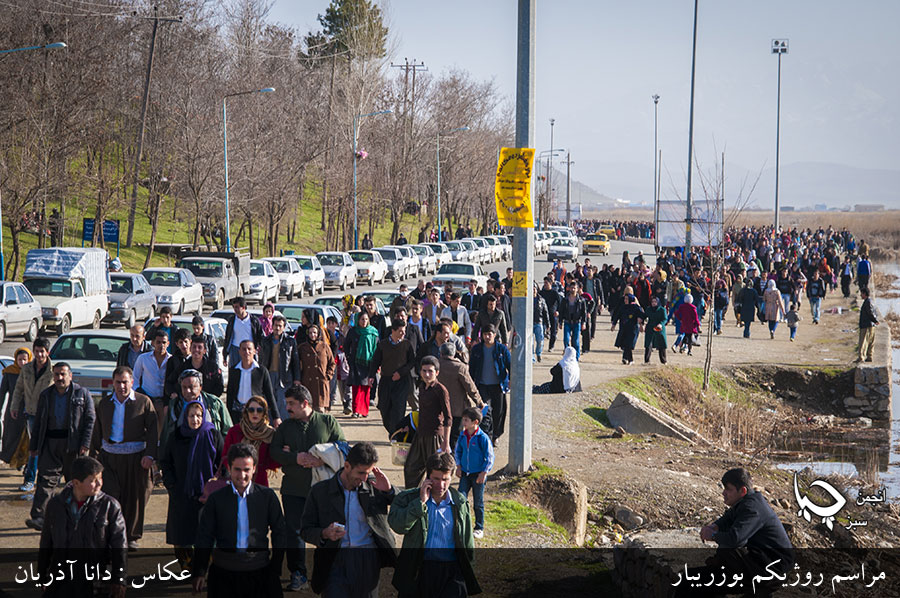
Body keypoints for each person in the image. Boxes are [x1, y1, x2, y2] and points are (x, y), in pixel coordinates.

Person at [270, 385, 346, 592]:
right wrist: (296, 457)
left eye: (291, 404)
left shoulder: (327, 421)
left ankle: (331, 571)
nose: (287, 408)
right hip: (293, 489)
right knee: (294, 532)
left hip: (323, 491)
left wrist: (320, 457)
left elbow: (343, 448)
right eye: (286, 403)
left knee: (329, 531)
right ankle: (298, 573)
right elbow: (274, 451)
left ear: (305, 403)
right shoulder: (285, 427)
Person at [676, 468, 794, 598]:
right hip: (759, 562)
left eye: (728, 489)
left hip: (773, 570)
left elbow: (735, 539)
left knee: (730, 547)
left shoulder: (753, 509)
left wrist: (713, 536)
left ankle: (757, 589)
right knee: (689, 581)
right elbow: (728, 518)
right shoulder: (745, 502)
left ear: (742, 491)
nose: (723, 493)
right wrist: (714, 526)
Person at [300, 442, 397, 598]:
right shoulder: (320, 492)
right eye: (360, 473)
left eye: (368, 472)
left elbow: (404, 505)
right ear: (346, 466)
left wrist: (389, 491)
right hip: (334, 560)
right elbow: (305, 530)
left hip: (367, 559)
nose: (365, 478)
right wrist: (324, 533)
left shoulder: (375, 486)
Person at [192, 442, 287, 598]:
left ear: (254, 468)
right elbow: (205, 535)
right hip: (224, 574)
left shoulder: (267, 497)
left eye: (246, 470)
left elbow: (280, 532)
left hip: (260, 572)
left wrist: (275, 568)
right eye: (237, 469)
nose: (242, 475)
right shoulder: (216, 499)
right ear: (228, 468)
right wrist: (200, 571)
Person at [389, 452, 481, 597]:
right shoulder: (409, 498)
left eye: (445, 479)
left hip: (451, 571)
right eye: (436, 479)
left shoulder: (460, 503)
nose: (441, 485)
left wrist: (468, 569)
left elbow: (467, 541)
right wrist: (419, 503)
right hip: (420, 569)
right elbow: (397, 526)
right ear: (427, 477)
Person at [38, 456, 127, 598]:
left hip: (96, 578)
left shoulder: (110, 506)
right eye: (92, 480)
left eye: (100, 478)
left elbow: (119, 545)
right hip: (63, 577)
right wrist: (42, 574)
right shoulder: (56, 505)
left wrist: (119, 579)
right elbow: (46, 542)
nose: (98, 484)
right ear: (76, 482)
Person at [90, 365, 157, 550]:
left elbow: (152, 432)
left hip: (136, 459)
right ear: (113, 383)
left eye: (125, 382)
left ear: (132, 382)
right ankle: (112, 535)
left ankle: (131, 536)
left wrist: (150, 455)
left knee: (133, 498)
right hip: (109, 458)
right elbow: (98, 432)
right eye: (118, 382)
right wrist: (93, 458)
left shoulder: (143, 402)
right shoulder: (104, 404)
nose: (121, 386)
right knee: (111, 496)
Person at [27, 362, 96, 531]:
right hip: (50, 443)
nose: (59, 378)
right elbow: (38, 422)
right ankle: (39, 517)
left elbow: (90, 420)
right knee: (45, 480)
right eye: (56, 374)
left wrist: (85, 444)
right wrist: (34, 445)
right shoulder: (46, 395)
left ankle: (81, 516)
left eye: (63, 374)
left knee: (76, 482)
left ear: (70, 375)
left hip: (72, 444)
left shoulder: (82, 394)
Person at [160, 399, 223, 572]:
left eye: (198, 415)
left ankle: (203, 567)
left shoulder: (212, 435)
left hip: (206, 494)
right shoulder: (176, 436)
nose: (195, 419)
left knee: (206, 532)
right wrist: (171, 485)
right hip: (181, 492)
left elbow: (222, 462)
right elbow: (165, 462)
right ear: (185, 417)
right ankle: (186, 566)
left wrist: (215, 484)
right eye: (191, 416)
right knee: (182, 534)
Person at [9, 337, 53, 495]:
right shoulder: (26, 369)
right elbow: (18, 389)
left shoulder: (53, 370)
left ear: (47, 352)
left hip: (49, 416)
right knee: (33, 448)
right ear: (33, 352)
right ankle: (29, 480)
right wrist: (14, 407)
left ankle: (47, 479)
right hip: (31, 414)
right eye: (37, 351)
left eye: (42, 351)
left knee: (48, 448)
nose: (39, 355)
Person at [404, 356, 452, 489]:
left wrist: (446, 443)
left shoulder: (440, 390)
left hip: (435, 436)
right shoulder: (421, 387)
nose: (427, 374)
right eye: (424, 371)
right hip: (420, 435)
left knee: (434, 472)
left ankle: (432, 502)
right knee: (411, 468)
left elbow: (448, 418)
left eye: (430, 371)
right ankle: (413, 499)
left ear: (437, 372)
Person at [162, 369, 232, 450]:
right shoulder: (174, 406)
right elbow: (166, 434)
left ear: (200, 387)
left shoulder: (215, 404)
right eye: (184, 387)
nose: (188, 391)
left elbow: (228, 432)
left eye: (192, 387)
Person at [369, 319, 416, 433]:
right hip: (386, 381)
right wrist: (371, 376)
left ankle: (395, 434)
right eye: (400, 331)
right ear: (393, 331)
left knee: (398, 410)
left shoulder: (407, 344)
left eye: (404, 331)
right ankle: (392, 431)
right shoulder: (383, 345)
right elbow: (375, 361)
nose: (403, 334)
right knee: (385, 409)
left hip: (401, 382)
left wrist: (401, 373)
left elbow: (412, 362)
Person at [222, 396, 280, 486]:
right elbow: (226, 455)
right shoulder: (235, 431)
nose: (255, 413)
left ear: (264, 413)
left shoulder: (270, 434)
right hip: (237, 479)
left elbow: (273, 461)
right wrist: (236, 470)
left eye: (259, 410)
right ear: (246, 412)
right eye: (251, 410)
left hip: (260, 481)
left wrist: (283, 453)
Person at [455, 406, 494, 540]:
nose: (463, 423)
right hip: (465, 473)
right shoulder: (462, 435)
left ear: (475, 422)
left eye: (466, 420)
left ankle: (479, 527)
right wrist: (458, 466)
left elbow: (489, 457)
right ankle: (461, 525)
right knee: (460, 499)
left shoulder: (482, 438)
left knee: (478, 502)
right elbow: (458, 451)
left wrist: (484, 472)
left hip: (478, 474)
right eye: (463, 420)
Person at [469, 325, 510, 447]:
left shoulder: (501, 350)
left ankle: (496, 435)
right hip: (482, 385)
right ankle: (486, 436)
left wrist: (511, 379)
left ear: (495, 335)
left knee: (499, 412)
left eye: (490, 334)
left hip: (498, 385)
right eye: (485, 334)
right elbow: (472, 368)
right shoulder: (477, 350)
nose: (487, 337)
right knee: (484, 411)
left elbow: (510, 364)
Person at [438, 342, 481, 449]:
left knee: (439, 437)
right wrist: (479, 401)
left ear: (441, 353)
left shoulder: (436, 365)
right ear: (454, 353)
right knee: (455, 438)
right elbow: (470, 387)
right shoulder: (460, 367)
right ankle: (452, 460)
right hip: (457, 409)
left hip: (438, 408)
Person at [259, 314, 301, 421]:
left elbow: (295, 361)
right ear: (272, 326)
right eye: (275, 325)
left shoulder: (290, 342)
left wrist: (297, 379)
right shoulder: (265, 341)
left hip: (284, 377)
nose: (277, 328)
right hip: (269, 375)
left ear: (284, 327)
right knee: (268, 402)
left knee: (283, 404)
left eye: (280, 326)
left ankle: (283, 428)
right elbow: (261, 360)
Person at [226, 340, 279, 425]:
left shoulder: (262, 371)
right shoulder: (234, 370)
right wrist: (227, 415)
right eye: (243, 349)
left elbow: (270, 394)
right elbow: (230, 394)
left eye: (249, 349)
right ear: (239, 351)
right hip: (237, 413)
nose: (246, 352)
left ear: (255, 351)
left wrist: (276, 417)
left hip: (256, 412)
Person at [0, 348, 32, 484]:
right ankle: (16, 461)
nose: (22, 362)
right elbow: (2, 393)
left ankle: (26, 465)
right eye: (20, 360)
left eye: (25, 360)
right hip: (14, 412)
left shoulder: (33, 373)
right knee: (13, 438)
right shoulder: (9, 373)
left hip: (30, 411)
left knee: (28, 439)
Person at [133, 329, 170, 435]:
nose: (161, 345)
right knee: (146, 431)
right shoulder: (143, 358)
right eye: (158, 342)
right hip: (147, 400)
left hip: (164, 403)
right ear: (153, 343)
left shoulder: (171, 360)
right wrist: (142, 395)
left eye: (164, 342)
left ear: (168, 344)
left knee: (162, 433)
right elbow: (135, 379)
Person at [344, 311, 379, 418]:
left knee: (366, 387)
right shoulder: (353, 331)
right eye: (362, 319)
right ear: (357, 320)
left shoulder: (373, 332)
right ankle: (356, 410)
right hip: (355, 363)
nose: (364, 322)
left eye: (366, 319)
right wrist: (349, 358)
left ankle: (364, 410)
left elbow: (377, 348)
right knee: (356, 388)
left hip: (369, 363)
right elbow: (346, 345)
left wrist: (376, 364)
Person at [299, 324, 336, 413]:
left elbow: (332, 363)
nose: (312, 335)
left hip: (321, 383)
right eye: (310, 333)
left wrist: (328, 376)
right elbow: (297, 365)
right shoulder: (302, 348)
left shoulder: (324, 346)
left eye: (315, 333)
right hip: (308, 383)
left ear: (318, 333)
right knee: (308, 411)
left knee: (320, 411)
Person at [224, 297, 264, 369]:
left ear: (243, 307)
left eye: (237, 307)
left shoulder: (254, 321)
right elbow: (227, 338)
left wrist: (260, 350)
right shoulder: (232, 320)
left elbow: (260, 336)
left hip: (249, 350)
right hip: (235, 350)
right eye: (234, 307)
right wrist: (225, 355)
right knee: (235, 372)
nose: (235, 309)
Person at [611, 294, 646, 365]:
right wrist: (613, 325)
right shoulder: (623, 307)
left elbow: (642, 316)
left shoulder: (636, 307)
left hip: (633, 329)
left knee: (629, 344)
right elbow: (617, 316)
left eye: (627, 299)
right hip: (624, 328)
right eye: (625, 299)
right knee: (624, 344)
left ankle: (629, 359)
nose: (625, 300)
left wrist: (641, 323)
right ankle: (626, 358)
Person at [558, 282, 587, 360]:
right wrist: (560, 322)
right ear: (569, 288)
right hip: (567, 322)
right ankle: (567, 355)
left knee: (575, 341)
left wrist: (583, 323)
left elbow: (584, 312)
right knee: (566, 339)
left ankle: (576, 358)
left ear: (577, 289)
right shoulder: (565, 300)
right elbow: (561, 311)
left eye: (574, 288)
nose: (573, 289)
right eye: (571, 288)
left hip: (577, 322)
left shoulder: (581, 300)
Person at [643, 295, 668, 364]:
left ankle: (663, 361)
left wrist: (661, 324)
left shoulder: (662, 310)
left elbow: (665, 319)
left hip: (659, 329)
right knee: (648, 345)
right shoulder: (648, 309)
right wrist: (642, 321)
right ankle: (647, 360)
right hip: (650, 328)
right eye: (652, 302)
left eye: (655, 302)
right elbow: (644, 316)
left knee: (661, 345)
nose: (653, 303)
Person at [539, 278, 562, 352]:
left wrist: (558, 311)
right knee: (541, 330)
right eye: (544, 283)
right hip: (543, 314)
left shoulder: (554, 293)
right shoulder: (541, 293)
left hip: (553, 314)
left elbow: (560, 303)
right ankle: (540, 347)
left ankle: (551, 346)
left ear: (550, 284)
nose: (545, 284)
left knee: (553, 331)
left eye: (546, 283)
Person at [858, 287, 879, 362]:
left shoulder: (867, 302)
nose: (860, 295)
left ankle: (861, 357)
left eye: (861, 293)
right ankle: (870, 357)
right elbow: (875, 312)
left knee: (863, 341)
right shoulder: (871, 301)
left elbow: (870, 313)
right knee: (871, 342)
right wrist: (875, 321)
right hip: (871, 325)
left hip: (866, 325)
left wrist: (875, 320)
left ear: (864, 294)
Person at [532, 284, 549, 362]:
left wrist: (548, 324)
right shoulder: (527, 300)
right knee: (530, 341)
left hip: (539, 322)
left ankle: (538, 353)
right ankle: (531, 356)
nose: (533, 290)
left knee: (540, 340)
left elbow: (545, 312)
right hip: (530, 323)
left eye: (534, 289)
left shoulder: (541, 300)